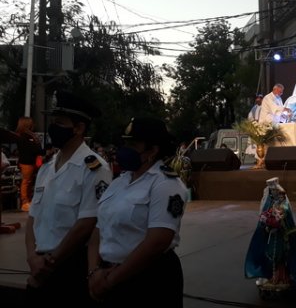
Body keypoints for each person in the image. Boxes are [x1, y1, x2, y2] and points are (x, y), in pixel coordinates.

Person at [87, 117, 187, 307]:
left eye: (133, 145)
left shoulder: (166, 183)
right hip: (107, 275)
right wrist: (93, 273)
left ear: (152, 150)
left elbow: (157, 241)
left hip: (148, 281)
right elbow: (98, 230)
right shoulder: (119, 182)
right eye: (125, 143)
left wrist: (110, 280)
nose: (125, 149)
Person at [25, 90, 112, 306]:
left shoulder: (94, 168)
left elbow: (87, 223)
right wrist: (32, 258)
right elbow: (32, 218)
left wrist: (50, 263)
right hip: (39, 265)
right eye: (53, 121)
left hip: (70, 267)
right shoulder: (47, 168)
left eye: (60, 122)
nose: (53, 127)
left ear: (79, 128)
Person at [244, 177, 296, 296]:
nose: (273, 194)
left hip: (282, 236)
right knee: (271, 254)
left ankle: (283, 277)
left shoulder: (283, 204)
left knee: (281, 255)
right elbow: (266, 213)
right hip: (272, 235)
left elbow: (284, 214)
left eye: (275, 192)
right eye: (271, 192)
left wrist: (279, 217)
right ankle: (271, 276)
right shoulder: (271, 201)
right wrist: (267, 220)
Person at [14, 116, 44, 212]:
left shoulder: (30, 136)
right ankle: (25, 202)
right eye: (31, 123)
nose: (33, 125)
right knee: (26, 181)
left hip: (32, 161)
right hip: (27, 162)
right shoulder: (22, 137)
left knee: (30, 181)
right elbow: (31, 149)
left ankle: (29, 200)